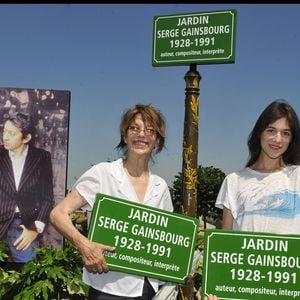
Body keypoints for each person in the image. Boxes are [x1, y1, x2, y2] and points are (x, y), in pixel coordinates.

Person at [50, 104, 174, 300]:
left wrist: (180, 265)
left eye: (150, 130)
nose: (142, 135)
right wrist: (85, 246)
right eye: (134, 128)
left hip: (148, 289)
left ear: (157, 141)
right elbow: (58, 214)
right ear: (125, 136)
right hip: (108, 288)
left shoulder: (161, 187)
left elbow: (167, 238)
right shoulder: (102, 173)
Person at [215, 99, 300, 233]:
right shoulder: (233, 181)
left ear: (291, 139)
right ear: (259, 132)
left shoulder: (298, 177)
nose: (278, 139)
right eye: (271, 130)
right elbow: (225, 242)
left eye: (286, 133)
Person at [0, 112, 54, 263]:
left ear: (26, 138)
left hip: (23, 225)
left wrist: (35, 229)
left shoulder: (42, 157)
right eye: (4, 131)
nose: (5, 137)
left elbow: (47, 198)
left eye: (12, 133)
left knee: (27, 274)